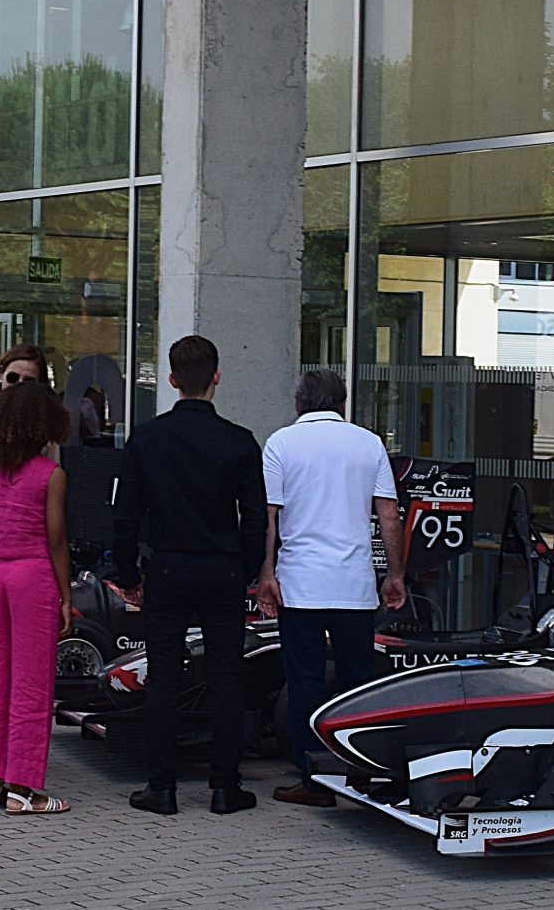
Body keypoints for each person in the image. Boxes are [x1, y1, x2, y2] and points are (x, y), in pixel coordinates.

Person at [115, 334, 267, 817]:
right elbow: (256, 518)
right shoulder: (239, 442)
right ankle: (226, 786)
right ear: (217, 377)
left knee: (164, 676)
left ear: (173, 379)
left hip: (168, 566)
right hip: (222, 569)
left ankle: (161, 787)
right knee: (225, 675)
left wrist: (126, 571)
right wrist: (245, 568)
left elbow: (126, 513)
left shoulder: (147, 437)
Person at [258, 369, 404, 807]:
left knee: (303, 681)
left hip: (300, 585)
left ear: (298, 403)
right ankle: (361, 775)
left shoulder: (281, 443)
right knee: (359, 682)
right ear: (342, 403)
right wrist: (395, 574)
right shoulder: (369, 443)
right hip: (355, 586)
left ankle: (313, 779)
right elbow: (389, 516)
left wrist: (266, 574)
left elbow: (269, 516)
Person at [0, 378, 73, 816]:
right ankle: (24, 788)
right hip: (34, 576)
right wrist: (65, 596)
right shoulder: (50, 475)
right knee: (32, 682)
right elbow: (56, 540)